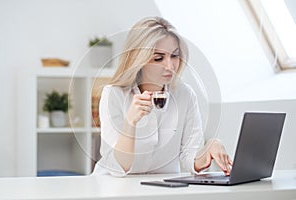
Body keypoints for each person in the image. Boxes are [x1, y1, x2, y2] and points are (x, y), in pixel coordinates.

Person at [91, 16, 232, 177]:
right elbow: (118, 167)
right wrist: (130, 122)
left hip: (162, 188)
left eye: (174, 56)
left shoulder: (185, 94)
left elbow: (189, 157)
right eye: (159, 58)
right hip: (113, 187)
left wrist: (209, 149)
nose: (170, 66)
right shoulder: (114, 94)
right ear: (139, 60)